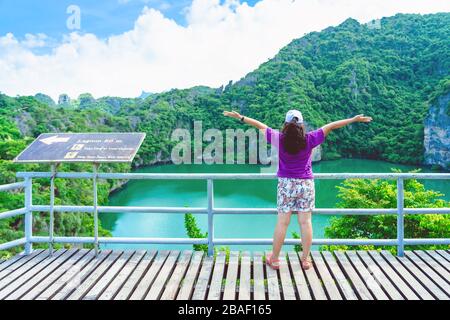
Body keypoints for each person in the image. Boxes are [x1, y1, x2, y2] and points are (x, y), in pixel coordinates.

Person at [223, 109, 372, 270]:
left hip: (286, 184)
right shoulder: (310, 139)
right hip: (305, 184)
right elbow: (331, 126)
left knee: (282, 222)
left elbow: (260, 125)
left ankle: (274, 259)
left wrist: (241, 118)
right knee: (306, 222)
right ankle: (306, 260)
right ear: (301, 125)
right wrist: (353, 119)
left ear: (285, 124)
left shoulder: (278, 138)